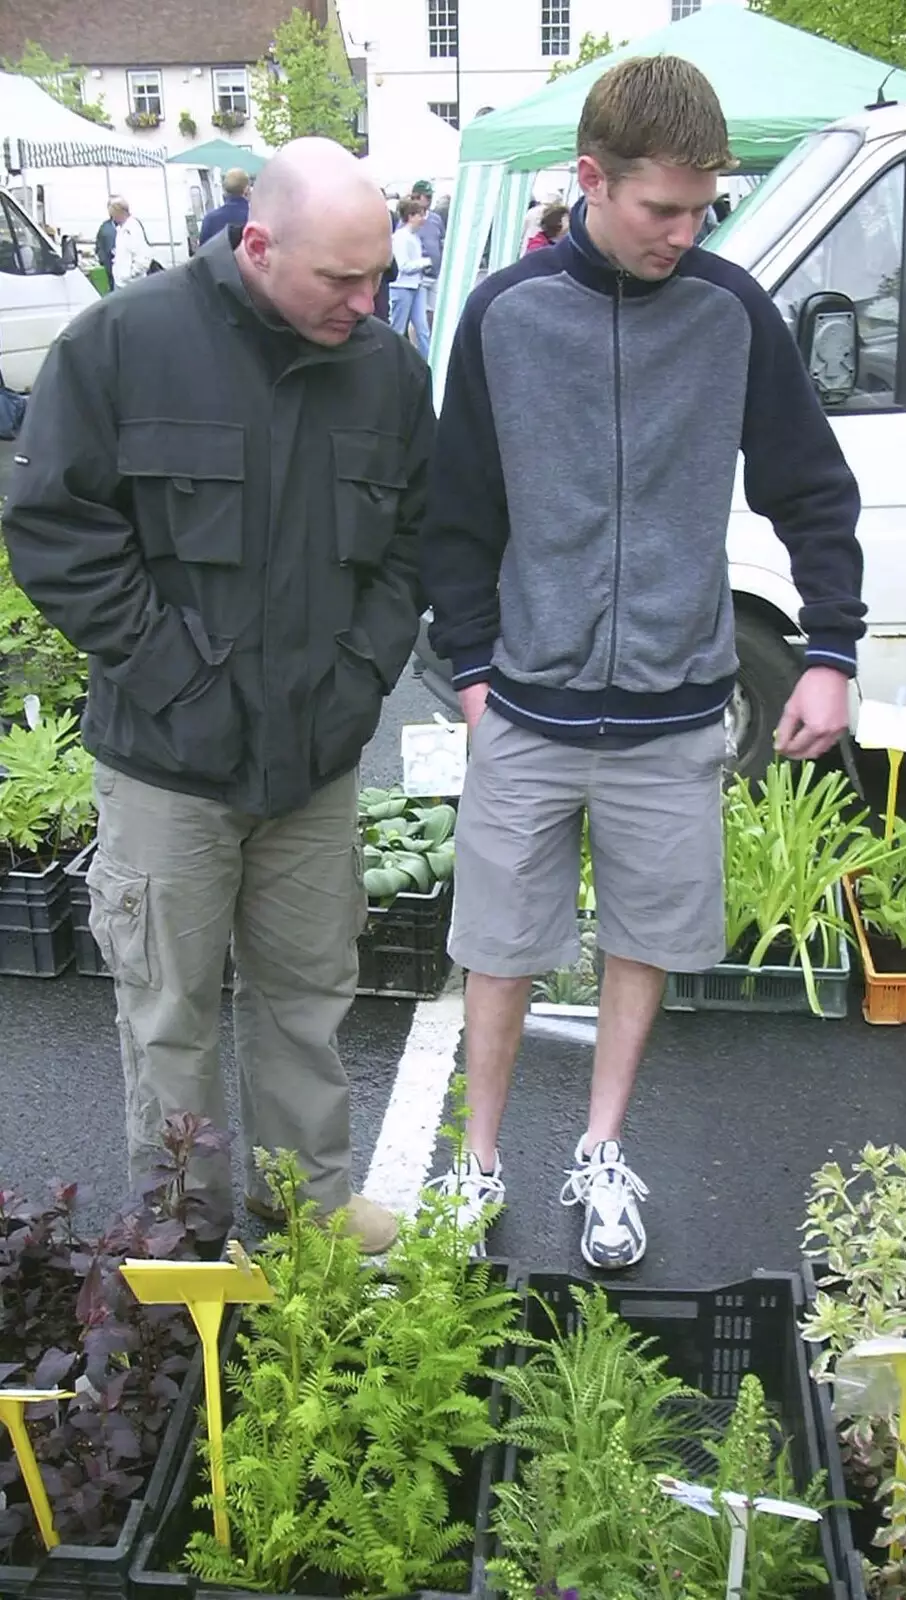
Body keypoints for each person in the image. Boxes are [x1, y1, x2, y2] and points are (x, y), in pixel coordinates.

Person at [422, 56, 865, 1269]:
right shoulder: (505, 316)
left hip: (673, 716)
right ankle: (478, 1159)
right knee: (498, 949)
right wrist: (471, 669)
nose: (686, 231)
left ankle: (601, 1149)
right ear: (589, 181)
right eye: (661, 208)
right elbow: (455, 512)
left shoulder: (729, 315)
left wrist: (827, 648)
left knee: (641, 944)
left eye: (701, 208)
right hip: (526, 704)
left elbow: (810, 488)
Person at [4, 138, 434, 1251]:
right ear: (256, 244)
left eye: (377, 274)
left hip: (313, 761)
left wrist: (356, 682)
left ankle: (307, 1215)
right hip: (166, 764)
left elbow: (416, 545)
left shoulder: (386, 371)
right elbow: (57, 529)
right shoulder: (123, 343)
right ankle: (183, 1236)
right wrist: (177, 680)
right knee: (171, 1017)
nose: (367, 299)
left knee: (308, 1004)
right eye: (340, 278)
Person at [390, 199, 431, 358]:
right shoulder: (400, 238)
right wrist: (426, 262)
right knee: (398, 329)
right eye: (420, 215)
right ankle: (393, 362)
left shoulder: (414, 237)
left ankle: (427, 361)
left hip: (416, 286)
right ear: (410, 216)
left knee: (423, 329)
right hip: (402, 287)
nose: (423, 219)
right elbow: (404, 266)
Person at [409, 179, 445, 327]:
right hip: (419, 275)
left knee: (434, 312)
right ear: (416, 197)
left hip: (435, 274)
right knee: (419, 318)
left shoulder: (436, 218)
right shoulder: (409, 219)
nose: (429, 200)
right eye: (426, 197)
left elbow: (442, 240)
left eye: (430, 197)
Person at [198, 168, 252, 247]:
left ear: (224, 190)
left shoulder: (210, 219)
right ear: (246, 190)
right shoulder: (254, 217)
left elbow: (202, 252)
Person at [110, 197, 151, 287]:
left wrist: (130, 274)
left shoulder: (133, 229)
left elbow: (143, 257)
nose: (113, 219)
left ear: (120, 212)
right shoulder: (121, 229)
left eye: (113, 215)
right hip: (121, 282)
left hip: (132, 284)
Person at [95, 209, 117, 290]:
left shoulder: (130, 226)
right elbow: (98, 245)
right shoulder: (105, 227)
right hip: (110, 266)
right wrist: (103, 260)